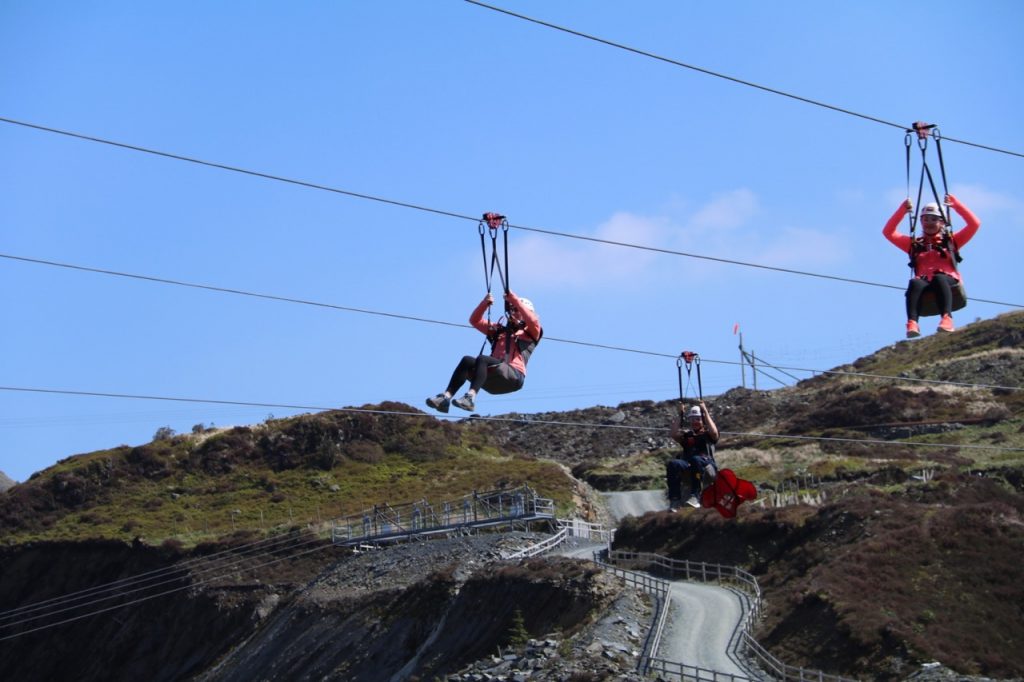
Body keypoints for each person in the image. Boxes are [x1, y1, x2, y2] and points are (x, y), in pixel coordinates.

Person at [425, 290, 541, 413]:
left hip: (514, 376)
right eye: (512, 309)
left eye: (517, 310)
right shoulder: (500, 330)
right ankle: (446, 397)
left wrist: (514, 300)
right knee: (467, 360)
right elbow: (475, 321)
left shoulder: (531, 333)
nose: (513, 312)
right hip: (495, 375)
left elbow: (532, 320)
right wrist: (484, 304)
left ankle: (470, 397)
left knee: (482, 359)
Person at [882, 194, 981, 338]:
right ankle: (912, 322)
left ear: (942, 223)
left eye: (934, 219)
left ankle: (947, 318)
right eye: (925, 219)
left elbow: (974, 224)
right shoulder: (915, 244)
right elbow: (888, 232)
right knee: (915, 282)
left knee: (939, 278)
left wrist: (956, 205)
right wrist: (902, 210)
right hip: (924, 282)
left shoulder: (951, 242)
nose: (929, 222)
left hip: (947, 281)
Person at [666, 400, 719, 511]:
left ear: (702, 420)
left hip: (707, 468)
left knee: (696, 459)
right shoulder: (687, 435)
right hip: (691, 467)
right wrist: (680, 414)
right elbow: (673, 434)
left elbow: (714, 432)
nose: (695, 421)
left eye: (698, 419)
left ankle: (695, 495)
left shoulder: (707, 434)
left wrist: (705, 411)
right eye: (692, 419)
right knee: (673, 464)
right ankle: (675, 499)